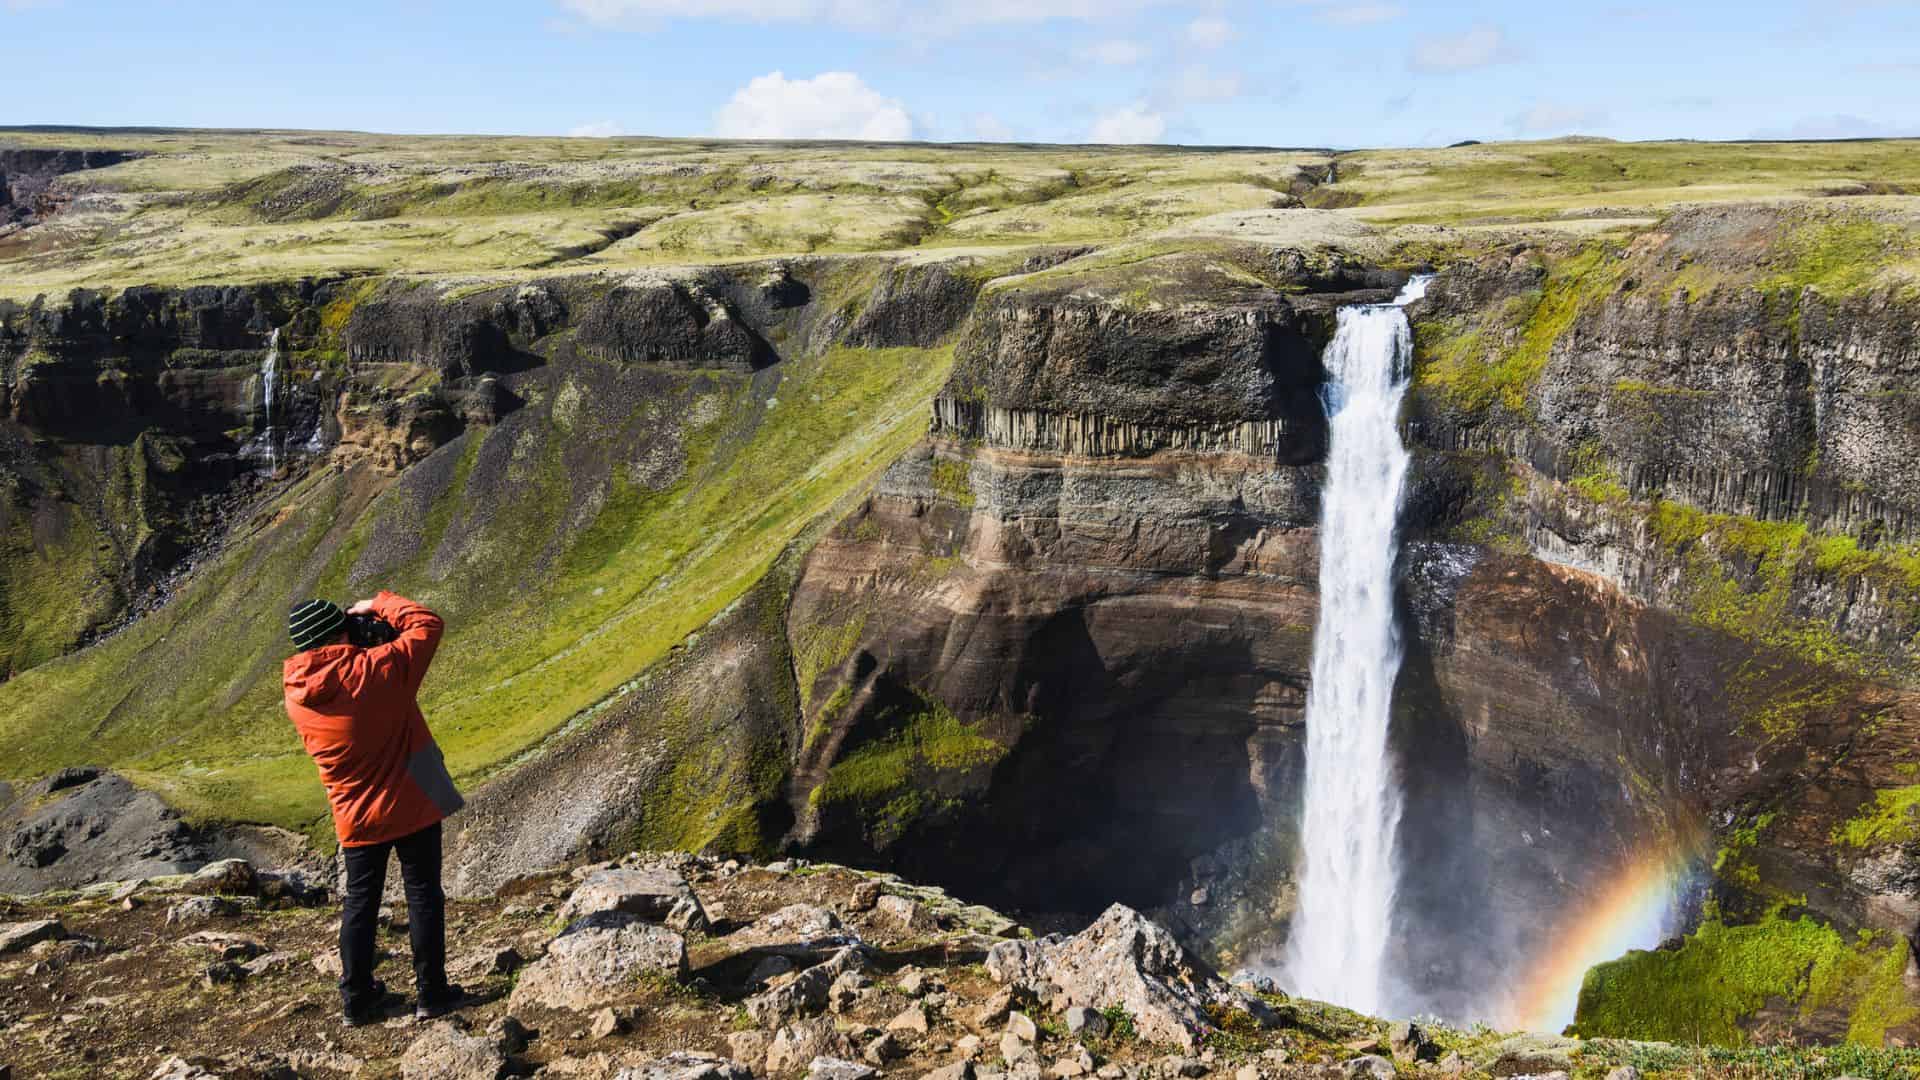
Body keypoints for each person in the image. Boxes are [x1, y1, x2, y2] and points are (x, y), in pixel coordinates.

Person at [283, 591, 467, 1027]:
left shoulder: (296, 694)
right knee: (422, 892)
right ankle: (432, 993)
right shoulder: (379, 668)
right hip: (413, 795)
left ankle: (357, 999)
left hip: (354, 811)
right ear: (339, 634)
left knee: (360, 901)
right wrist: (378, 603)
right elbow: (427, 624)